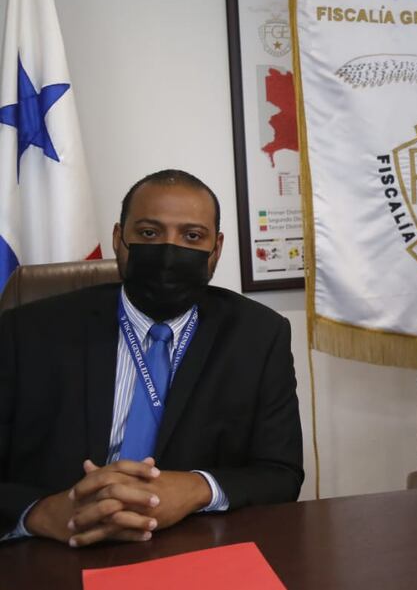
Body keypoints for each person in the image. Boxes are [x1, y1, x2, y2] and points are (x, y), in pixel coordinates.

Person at [0, 169, 303, 546]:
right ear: (118, 238)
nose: (169, 252)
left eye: (192, 236)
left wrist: (197, 487)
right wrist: (41, 512)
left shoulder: (258, 336)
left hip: (191, 544)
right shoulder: (26, 331)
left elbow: (281, 472)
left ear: (216, 249)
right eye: (148, 233)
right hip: (57, 548)